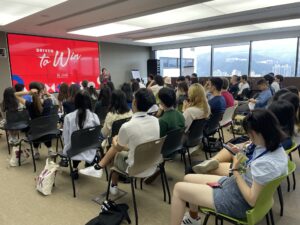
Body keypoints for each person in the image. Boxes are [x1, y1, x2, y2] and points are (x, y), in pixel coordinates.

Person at [171, 109, 288, 225]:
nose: (248, 136)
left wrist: (236, 170)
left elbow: (251, 200)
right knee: (188, 178)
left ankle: (191, 219)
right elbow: (255, 171)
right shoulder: (275, 148)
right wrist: (241, 154)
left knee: (178, 189)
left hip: (238, 201)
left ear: (260, 132)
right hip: (236, 186)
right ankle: (193, 219)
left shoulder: (266, 163)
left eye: (250, 133)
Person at [79, 88, 159, 196]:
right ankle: (98, 167)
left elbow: (116, 146)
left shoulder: (127, 126)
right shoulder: (155, 120)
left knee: (116, 154)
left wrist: (115, 140)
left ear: (134, 102)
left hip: (134, 167)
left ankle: (107, 177)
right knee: (118, 147)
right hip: (151, 163)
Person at [193, 100, 295, 176]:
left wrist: (238, 159)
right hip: (248, 164)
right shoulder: (279, 138)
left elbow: (251, 165)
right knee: (233, 148)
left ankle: (212, 161)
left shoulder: (273, 141)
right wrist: (244, 148)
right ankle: (212, 161)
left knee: (193, 169)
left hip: (245, 169)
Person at [61, 91, 100, 179]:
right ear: (89, 102)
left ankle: (74, 169)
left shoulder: (68, 117)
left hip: (74, 150)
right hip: (90, 148)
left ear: (76, 102)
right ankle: (91, 161)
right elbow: (97, 134)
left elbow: (66, 138)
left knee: (71, 145)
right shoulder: (94, 116)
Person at [15, 84, 55, 159]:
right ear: (42, 92)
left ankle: (36, 151)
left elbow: (15, 94)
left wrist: (28, 92)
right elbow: (50, 97)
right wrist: (46, 93)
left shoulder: (29, 105)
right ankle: (50, 149)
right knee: (45, 128)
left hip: (35, 135)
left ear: (32, 94)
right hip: (49, 133)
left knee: (34, 129)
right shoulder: (48, 102)